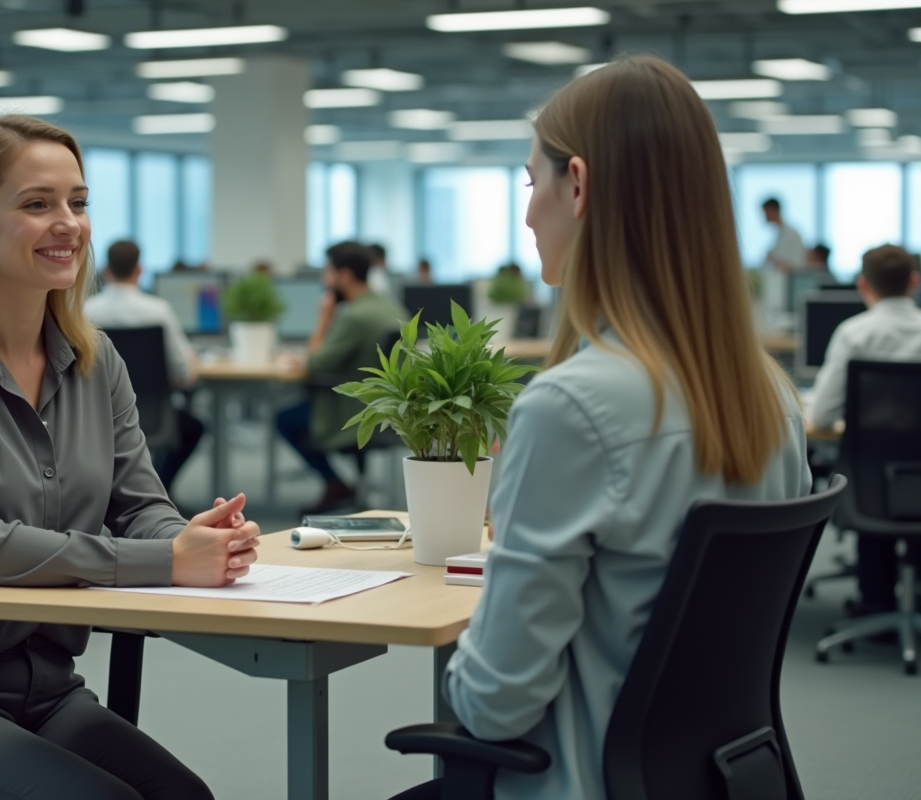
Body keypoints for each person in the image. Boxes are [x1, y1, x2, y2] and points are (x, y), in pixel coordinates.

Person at [389, 56, 811, 800]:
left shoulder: (573, 408)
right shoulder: (770, 398)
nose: (526, 214)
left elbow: (494, 704)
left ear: (577, 185)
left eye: (530, 184)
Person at [0, 116, 261, 800]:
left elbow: (141, 506)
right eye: (37, 204)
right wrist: (166, 561)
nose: (68, 224)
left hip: (49, 689)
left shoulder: (94, 362)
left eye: (78, 203)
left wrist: (192, 539)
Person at [807, 244, 921, 618]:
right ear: (914, 281)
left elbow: (821, 415)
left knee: (869, 472)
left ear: (863, 284)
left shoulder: (854, 334)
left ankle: (877, 600)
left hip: (868, 483)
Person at [275, 241, 407, 514]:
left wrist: (324, 318)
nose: (325, 280)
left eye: (328, 273)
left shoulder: (356, 316)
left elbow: (317, 363)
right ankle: (340, 485)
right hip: (388, 408)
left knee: (285, 419)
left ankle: (335, 484)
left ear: (344, 275)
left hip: (354, 410)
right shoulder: (389, 307)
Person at [83, 240, 206, 496]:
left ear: (106, 271)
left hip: (98, 416)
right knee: (194, 427)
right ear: (139, 271)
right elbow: (185, 374)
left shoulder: (86, 311)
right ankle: (161, 489)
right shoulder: (158, 311)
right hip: (155, 415)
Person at [761, 197, 808, 323]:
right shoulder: (778, 235)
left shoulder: (793, 234)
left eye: (765, 212)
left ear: (773, 210)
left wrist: (777, 261)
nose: (764, 216)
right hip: (776, 292)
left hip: (788, 292)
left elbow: (800, 266)